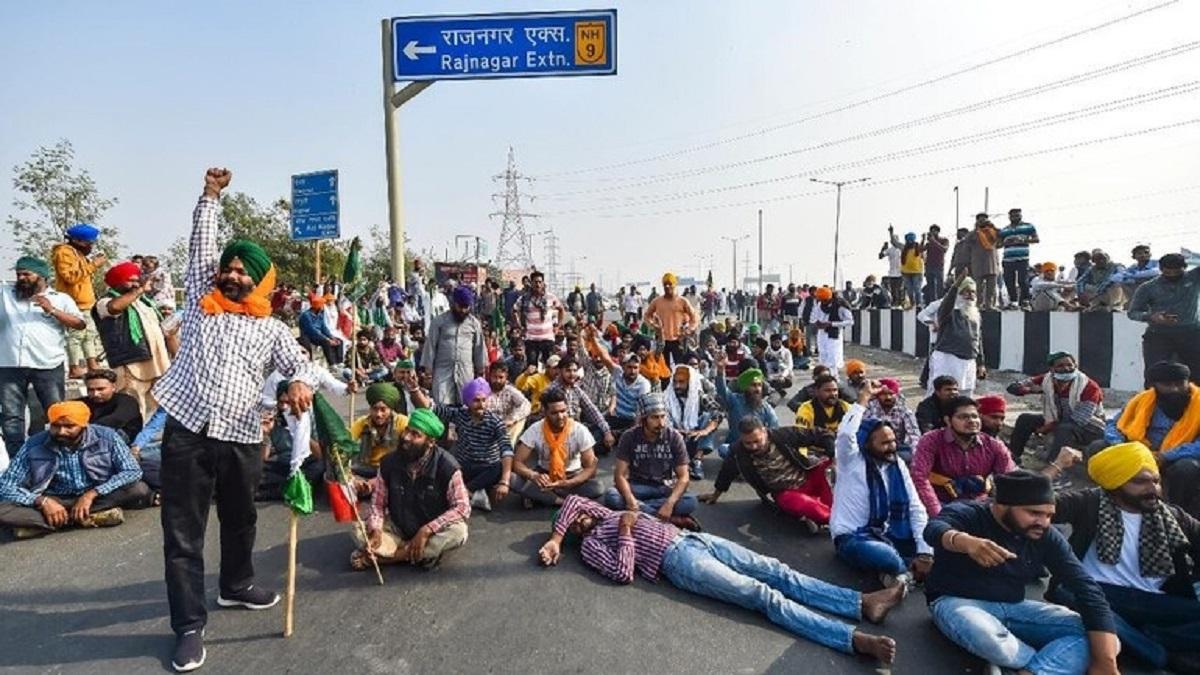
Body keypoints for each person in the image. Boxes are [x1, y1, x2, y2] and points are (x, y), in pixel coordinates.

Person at [152, 169, 322, 673]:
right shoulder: (200, 304)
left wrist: (299, 384)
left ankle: (236, 585)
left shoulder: (272, 328)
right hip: (187, 431)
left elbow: (303, 365)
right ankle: (187, 626)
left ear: (261, 281)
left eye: (244, 272)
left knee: (241, 518)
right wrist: (210, 196)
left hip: (244, 436)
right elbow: (202, 244)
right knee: (182, 534)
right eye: (228, 268)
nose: (232, 275)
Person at [538, 495, 905, 665]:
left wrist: (617, 520)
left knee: (778, 570)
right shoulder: (591, 546)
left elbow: (571, 499)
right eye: (572, 525)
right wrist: (621, 531)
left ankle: (860, 603)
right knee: (763, 595)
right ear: (571, 532)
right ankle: (850, 639)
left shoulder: (601, 512)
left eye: (578, 517)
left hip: (694, 540)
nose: (579, 520)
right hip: (678, 564)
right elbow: (622, 573)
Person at [923, 470, 1120, 674]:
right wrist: (966, 542)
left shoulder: (1045, 535)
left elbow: (1086, 587)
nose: (1043, 522)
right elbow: (933, 529)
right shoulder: (969, 513)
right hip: (956, 602)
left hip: (1014, 606)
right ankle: (1049, 662)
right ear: (1002, 506)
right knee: (986, 637)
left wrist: (1106, 664)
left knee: (1105, 643)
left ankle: (1028, 670)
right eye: (1034, 513)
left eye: (1049, 515)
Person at [1046, 442, 1200, 672]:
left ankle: (1146, 638)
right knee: (1069, 595)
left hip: (1153, 599)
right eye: (1140, 482)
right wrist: (1057, 465)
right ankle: (1160, 654)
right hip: (1096, 592)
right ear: (1115, 484)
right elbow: (1025, 499)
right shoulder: (1089, 502)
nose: (1152, 489)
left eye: (1155, 481)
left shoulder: (1174, 517)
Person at [831, 382, 933, 587]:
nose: (892, 447)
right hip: (854, 537)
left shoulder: (897, 465)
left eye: (893, 441)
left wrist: (925, 553)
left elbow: (915, 508)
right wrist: (863, 399)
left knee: (937, 541)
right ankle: (904, 573)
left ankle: (897, 577)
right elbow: (845, 435)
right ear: (867, 444)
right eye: (885, 443)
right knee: (883, 554)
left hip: (893, 533)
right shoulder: (851, 461)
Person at [0, 401, 151, 538]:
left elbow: (132, 471)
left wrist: (92, 494)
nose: (61, 432)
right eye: (55, 426)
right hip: (54, 499)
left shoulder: (107, 437)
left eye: (69, 426)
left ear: (84, 425)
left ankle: (52, 523)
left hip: (96, 497)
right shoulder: (34, 444)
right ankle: (84, 519)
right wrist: (42, 501)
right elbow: (6, 485)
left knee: (138, 489)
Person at [352, 408, 470, 572]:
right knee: (359, 530)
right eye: (407, 430)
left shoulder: (448, 467)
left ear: (430, 442)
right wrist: (376, 530)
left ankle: (390, 558)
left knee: (458, 533)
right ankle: (414, 553)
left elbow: (462, 507)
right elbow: (378, 504)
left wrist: (426, 530)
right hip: (398, 526)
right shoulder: (389, 463)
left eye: (415, 434)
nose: (406, 437)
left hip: (430, 530)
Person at [0, 257, 86, 459]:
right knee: (12, 416)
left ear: (42, 276)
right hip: (9, 363)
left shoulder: (60, 298)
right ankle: (17, 460)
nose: (21, 278)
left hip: (47, 364)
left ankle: (57, 456)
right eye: (19, 274)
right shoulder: (5, 294)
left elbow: (80, 324)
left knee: (56, 412)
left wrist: (52, 310)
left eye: (27, 274)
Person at [704, 415, 836, 532]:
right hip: (786, 493)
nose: (753, 446)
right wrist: (715, 495)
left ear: (764, 431)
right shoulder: (738, 452)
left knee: (832, 471)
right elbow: (726, 472)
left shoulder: (782, 435)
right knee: (800, 503)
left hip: (807, 477)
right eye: (748, 443)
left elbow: (820, 434)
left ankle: (825, 514)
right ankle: (835, 521)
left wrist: (832, 454)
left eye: (757, 441)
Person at [1104, 361, 1200, 518]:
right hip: (1140, 452)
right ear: (1155, 385)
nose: (1175, 389)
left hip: (1180, 455)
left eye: (1179, 383)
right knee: (1099, 447)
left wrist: (1166, 455)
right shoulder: (1140, 401)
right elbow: (1114, 425)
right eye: (1167, 384)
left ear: (1187, 382)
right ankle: (1115, 506)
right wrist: (1122, 446)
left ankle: (1176, 514)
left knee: (1186, 468)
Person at [413, 378, 513, 512]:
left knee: (497, 467)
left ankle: (466, 492)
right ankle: (474, 494)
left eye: (484, 400)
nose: (481, 404)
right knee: (444, 464)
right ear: (468, 401)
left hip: (487, 468)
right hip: (464, 465)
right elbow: (431, 408)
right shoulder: (460, 414)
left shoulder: (495, 422)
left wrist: (505, 482)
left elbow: (506, 450)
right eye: (476, 400)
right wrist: (414, 388)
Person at [604, 393, 699, 529]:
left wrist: (669, 503)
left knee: (691, 501)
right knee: (612, 496)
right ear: (644, 419)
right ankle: (670, 520)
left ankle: (642, 514)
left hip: (664, 487)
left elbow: (684, 477)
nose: (660, 423)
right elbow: (619, 475)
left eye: (662, 417)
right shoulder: (629, 437)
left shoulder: (674, 437)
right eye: (654, 418)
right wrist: (630, 499)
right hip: (637, 487)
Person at [911, 396, 1016, 517]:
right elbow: (919, 478)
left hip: (979, 505)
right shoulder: (931, 440)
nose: (972, 421)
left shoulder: (993, 445)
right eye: (963, 417)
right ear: (948, 421)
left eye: (975, 416)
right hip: (942, 505)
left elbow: (1010, 479)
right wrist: (938, 516)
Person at [93, 260, 173, 417]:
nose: (136, 284)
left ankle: (142, 441)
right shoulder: (104, 302)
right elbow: (114, 308)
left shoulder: (144, 303)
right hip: (131, 364)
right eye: (131, 280)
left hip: (155, 364)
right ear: (117, 281)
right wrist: (141, 289)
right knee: (132, 410)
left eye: (137, 280)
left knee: (153, 410)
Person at [1006, 351, 1106, 464]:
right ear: (1052, 369)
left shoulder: (1089, 387)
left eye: (1069, 365)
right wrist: (1028, 390)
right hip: (1060, 420)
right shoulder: (1047, 380)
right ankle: (1011, 459)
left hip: (1090, 428)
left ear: (1075, 366)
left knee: (1064, 429)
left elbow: (1080, 420)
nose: (1066, 369)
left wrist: (1049, 426)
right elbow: (1012, 387)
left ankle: (1053, 469)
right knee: (1025, 419)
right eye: (1060, 366)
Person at [510, 388, 605, 507]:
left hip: (572, 477)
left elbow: (591, 467)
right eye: (554, 413)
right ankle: (562, 501)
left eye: (563, 411)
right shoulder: (535, 429)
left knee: (597, 487)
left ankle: (541, 497)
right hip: (544, 476)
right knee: (511, 478)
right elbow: (517, 462)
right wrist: (533, 476)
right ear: (545, 412)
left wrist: (570, 482)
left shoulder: (579, 430)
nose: (560, 416)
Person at [1128, 253, 1200, 384]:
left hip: (1191, 334)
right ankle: (1152, 403)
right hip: (1159, 335)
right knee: (1154, 374)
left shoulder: (1194, 278)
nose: (1172, 275)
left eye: (1177, 272)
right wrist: (1151, 317)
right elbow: (1133, 312)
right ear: (1161, 270)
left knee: (1197, 373)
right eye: (1168, 272)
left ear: (1184, 268)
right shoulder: (1148, 287)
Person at [52, 223, 108, 378]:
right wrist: (93, 265)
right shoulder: (64, 253)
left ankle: (92, 364)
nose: (91, 246)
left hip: (86, 303)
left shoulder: (79, 254)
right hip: (73, 303)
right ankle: (74, 367)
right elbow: (70, 277)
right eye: (88, 243)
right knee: (76, 336)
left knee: (89, 334)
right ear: (77, 241)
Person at [422, 285, 486, 405]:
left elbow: (479, 348)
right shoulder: (439, 322)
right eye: (460, 307)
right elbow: (430, 346)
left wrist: (481, 374)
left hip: (466, 371)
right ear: (453, 304)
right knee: (441, 405)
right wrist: (428, 374)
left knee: (467, 405)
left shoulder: (474, 324)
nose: (463, 310)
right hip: (442, 371)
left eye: (466, 307)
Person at [927, 277, 984, 398]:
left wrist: (981, 363)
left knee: (965, 397)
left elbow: (977, 339)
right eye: (966, 291)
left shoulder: (975, 314)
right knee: (941, 395)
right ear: (958, 293)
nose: (970, 295)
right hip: (948, 359)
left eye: (973, 292)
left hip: (969, 361)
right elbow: (946, 304)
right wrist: (955, 286)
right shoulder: (948, 312)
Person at [664, 364, 723, 480]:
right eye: (675, 382)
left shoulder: (699, 396)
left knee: (707, 416)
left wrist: (705, 431)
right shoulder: (666, 397)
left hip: (695, 438)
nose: (677, 386)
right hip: (674, 438)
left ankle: (697, 460)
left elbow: (718, 412)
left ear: (689, 382)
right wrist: (677, 431)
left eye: (681, 382)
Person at [545, 356, 615, 452]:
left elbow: (591, 409)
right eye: (568, 371)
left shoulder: (575, 388)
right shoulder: (551, 390)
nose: (572, 374)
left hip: (575, 428)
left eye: (574, 370)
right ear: (560, 371)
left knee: (602, 431)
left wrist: (607, 432)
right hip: (558, 432)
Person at [713, 361, 779, 454]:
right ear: (745, 387)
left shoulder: (766, 407)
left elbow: (774, 428)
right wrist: (720, 370)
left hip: (758, 447)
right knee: (723, 450)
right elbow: (722, 390)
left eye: (759, 385)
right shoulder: (734, 400)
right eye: (753, 385)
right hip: (737, 446)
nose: (757, 389)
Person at [348, 383, 410, 480]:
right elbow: (347, 440)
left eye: (383, 409)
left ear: (390, 409)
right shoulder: (363, 423)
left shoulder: (402, 422)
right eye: (375, 409)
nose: (378, 414)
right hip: (369, 468)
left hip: (394, 469)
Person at [643, 272, 699, 370]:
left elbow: (694, 318)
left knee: (680, 366)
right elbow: (647, 315)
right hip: (662, 340)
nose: (667, 286)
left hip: (678, 340)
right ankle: (665, 385)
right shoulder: (657, 301)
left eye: (670, 284)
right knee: (663, 368)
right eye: (665, 284)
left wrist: (688, 330)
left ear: (675, 285)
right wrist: (653, 326)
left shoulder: (682, 301)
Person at [513, 270, 564, 367]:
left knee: (550, 366)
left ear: (543, 283)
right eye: (535, 282)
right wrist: (519, 326)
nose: (538, 284)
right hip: (531, 338)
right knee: (532, 367)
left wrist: (558, 326)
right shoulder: (524, 299)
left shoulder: (550, 297)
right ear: (531, 283)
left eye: (540, 282)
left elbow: (561, 310)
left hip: (547, 338)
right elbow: (514, 310)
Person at [79, 369, 143, 442]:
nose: (95, 394)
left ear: (113, 387)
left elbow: (116, 419)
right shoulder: (82, 402)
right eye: (90, 390)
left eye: (101, 389)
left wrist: (84, 430)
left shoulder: (127, 401)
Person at [951, 214, 999, 310]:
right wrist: (976, 229)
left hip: (991, 263)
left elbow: (1001, 236)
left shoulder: (992, 232)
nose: (983, 222)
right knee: (978, 286)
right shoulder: (973, 234)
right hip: (978, 263)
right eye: (980, 220)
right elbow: (966, 243)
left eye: (984, 220)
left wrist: (992, 226)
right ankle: (979, 304)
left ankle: (989, 304)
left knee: (991, 286)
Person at [863, 378, 920, 460]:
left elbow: (914, 436)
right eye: (883, 394)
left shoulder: (905, 411)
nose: (888, 397)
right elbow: (862, 431)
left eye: (891, 393)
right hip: (873, 448)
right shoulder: (869, 408)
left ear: (896, 394)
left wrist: (917, 457)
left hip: (896, 448)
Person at [482, 361, 531, 447]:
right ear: (489, 376)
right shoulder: (483, 389)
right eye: (494, 377)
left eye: (501, 377)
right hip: (487, 426)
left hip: (508, 426)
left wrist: (512, 419)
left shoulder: (510, 390)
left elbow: (526, 404)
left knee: (521, 420)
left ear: (506, 377)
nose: (497, 380)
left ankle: (508, 449)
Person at [997, 208, 1039, 308]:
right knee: (1008, 280)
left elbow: (1036, 239)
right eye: (1013, 216)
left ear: (1021, 216)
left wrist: (1023, 240)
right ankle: (1013, 301)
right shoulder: (1004, 230)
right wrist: (1006, 242)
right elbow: (997, 244)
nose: (1015, 217)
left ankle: (1025, 301)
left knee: (1022, 280)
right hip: (1008, 258)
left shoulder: (1028, 226)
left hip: (1022, 258)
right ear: (1009, 217)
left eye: (1017, 215)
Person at [808, 286, 853, 372]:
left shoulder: (841, 305)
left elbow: (850, 322)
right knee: (823, 356)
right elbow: (813, 317)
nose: (822, 302)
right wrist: (816, 323)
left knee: (833, 359)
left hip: (834, 334)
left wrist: (831, 324)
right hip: (821, 333)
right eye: (820, 300)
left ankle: (833, 378)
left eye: (824, 300)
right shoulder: (819, 304)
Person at [795, 374, 851, 439]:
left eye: (835, 390)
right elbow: (801, 436)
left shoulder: (845, 407)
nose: (833, 394)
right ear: (817, 391)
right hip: (815, 447)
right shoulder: (806, 409)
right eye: (827, 390)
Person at [298, 296, 341, 366]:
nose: (323, 307)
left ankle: (339, 362)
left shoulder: (320, 314)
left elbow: (324, 328)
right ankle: (332, 364)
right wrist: (327, 339)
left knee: (339, 341)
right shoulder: (306, 315)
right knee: (326, 342)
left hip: (318, 336)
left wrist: (332, 337)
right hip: (309, 336)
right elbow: (312, 331)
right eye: (322, 305)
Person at [515, 354, 559, 419]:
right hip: (539, 414)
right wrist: (525, 374)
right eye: (555, 368)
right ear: (547, 367)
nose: (557, 371)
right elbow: (519, 386)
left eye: (559, 368)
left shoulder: (561, 380)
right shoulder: (537, 378)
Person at [924, 224, 950, 302]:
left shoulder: (944, 240)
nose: (933, 232)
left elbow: (944, 249)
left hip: (939, 265)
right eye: (931, 231)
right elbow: (920, 250)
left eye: (934, 231)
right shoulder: (928, 243)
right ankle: (933, 302)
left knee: (940, 285)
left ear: (938, 232)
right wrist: (923, 240)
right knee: (930, 286)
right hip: (929, 266)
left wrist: (934, 241)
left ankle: (941, 301)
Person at [899, 232, 925, 308]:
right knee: (910, 290)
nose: (910, 242)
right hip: (906, 272)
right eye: (908, 240)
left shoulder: (918, 247)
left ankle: (919, 304)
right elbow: (895, 242)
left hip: (917, 272)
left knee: (917, 289)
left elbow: (922, 245)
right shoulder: (904, 248)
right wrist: (891, 233)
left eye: (911, 240)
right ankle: (912, 304)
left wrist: (923, 238)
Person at [879, 227, 904, 306]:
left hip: (901, 272)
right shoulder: (890, 249)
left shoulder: (902, 249)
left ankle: (900, 303)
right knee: (893, 290)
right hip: (892, 273)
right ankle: (894, 303)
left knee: (900, 289)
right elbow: (880, 256)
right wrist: (883, 248)